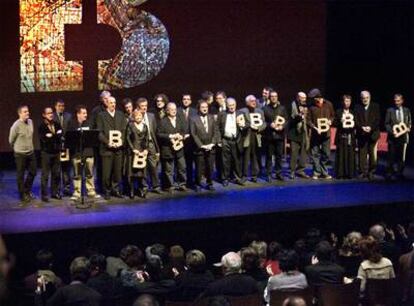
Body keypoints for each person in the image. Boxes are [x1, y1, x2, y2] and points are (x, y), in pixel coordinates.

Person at [96, 96, 128, 200]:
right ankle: (107, 191)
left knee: (117, 172)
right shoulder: (101, 115)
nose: (113, 104)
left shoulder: (120, 115)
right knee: (106, 173)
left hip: (118, 149)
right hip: (107, 149)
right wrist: (107, 142)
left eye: (114, 102)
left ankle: (116, 190)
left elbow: (124, 130)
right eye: (110, 102)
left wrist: (121, 141)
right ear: (106, 104)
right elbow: (99, 133)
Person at [67, 105, 100, 200]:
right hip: (77, 153)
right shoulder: (72, 124)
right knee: (77, 174)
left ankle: (91, 191)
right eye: (84, 113)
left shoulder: (89, 123)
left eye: (86, 113)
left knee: (89, 173)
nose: (86, 115)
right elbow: (69, 139)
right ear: (78, 114)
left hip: (88, 152)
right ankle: (77, 192)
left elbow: (93, 137)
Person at [157, 102, 188, 193]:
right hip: (167, 149)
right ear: (167, 111)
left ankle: (182, 184)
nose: (174, 111)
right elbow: (159, 134)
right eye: (171, 109)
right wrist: (170, 136)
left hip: (179, 148)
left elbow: (184, 131)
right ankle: (170, 186)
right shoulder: (163, 121)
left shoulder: (180, 120)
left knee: (182, 167)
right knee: (168, 170)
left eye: (175, 109)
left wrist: (181, 136)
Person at [189, 100, 220, 191]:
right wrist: (201, 145)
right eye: (202, 107)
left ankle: (209, 183)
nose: (205, 109)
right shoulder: (193, 119)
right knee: (199, 168)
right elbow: (193, 134)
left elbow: (216, 131)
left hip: (211, 147)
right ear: (199, 108)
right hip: (199, 148)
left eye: (206, 107)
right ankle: (198, 184)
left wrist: (213, 143)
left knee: (210, 167)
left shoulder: (211, 118)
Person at [9, 105, 37, 203]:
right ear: (20, 113)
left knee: (33, 171)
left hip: (31, 152)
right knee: (20, 175)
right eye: (25, 112)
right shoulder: (16, 125)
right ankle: (22, 195)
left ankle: (26, 190)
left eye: (28, 111)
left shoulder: (30, 122)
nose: (27, 113)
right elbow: (11, 140)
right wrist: (17, 148)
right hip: (20, 154)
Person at [217, 97, 248, 186]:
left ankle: (238, 178)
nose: (231, 107)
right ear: (226, 106)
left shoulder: (240, 113)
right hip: (225, 140)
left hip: (236, 140)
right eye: (229, 105)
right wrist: (219, 140)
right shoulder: (222, 114)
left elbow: (247, 124)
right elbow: (217, 128)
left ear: (236, 105)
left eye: (233, 105)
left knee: (237, 160)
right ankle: (225, 179)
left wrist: (243, 125)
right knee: (225, 161)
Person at [307, 89, 335, 180]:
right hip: (316, 134)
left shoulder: (329, 104)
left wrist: (330, 121)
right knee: (315, 154)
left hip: (326, 134)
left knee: (326, 153)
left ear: (319, 97)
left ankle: (324, 171)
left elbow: (332, 115)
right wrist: (315, 128)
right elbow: (308, 120)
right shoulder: (311, 107)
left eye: (315, 98)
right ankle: (316, 172)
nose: (314, 100)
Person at [136, 98, 162, 194]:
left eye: (146, 106)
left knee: (154, 166)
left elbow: (155, 132)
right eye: (142, 106)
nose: (144, 108)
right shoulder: (135, 116)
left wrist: (157, 148)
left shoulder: (151, 116)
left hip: (151, 144)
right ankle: (144, 187)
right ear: (138, 107)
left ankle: (156, 186)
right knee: (142, 167)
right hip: (140, 146)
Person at [385, 93, 412, 180]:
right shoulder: (390, 110)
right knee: (391, 156)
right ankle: (390, 172)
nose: (396, 102)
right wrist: (393, 132)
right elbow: (387, 124)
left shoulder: (407, 110)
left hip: (403, 137)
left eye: (398, 101)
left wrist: (408, 128)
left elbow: (409, 122)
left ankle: (400, 172)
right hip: (393, 138)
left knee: (401, 157)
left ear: (402, 101)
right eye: (395, 101)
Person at [354, 90, 380, 180]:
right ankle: (362, 172)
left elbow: (378, 120)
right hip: (361, 134)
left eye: (367, 98)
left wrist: (370, 128)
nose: (365, 99)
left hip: (372, 134)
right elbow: (355, 120)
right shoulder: (357, 107)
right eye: (363, 98)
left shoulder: (375, 106)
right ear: (361, 98)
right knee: (362, 154)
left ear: (370, 97)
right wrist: (362, 127)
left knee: (372, 154)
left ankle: (371, 172)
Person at [38, 107, 63, 202]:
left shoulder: (57, 124)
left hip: (56, 152)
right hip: (46, 153)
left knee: (56, 173)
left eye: (51, 113)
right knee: (45, 174)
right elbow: (44, 140)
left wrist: (52, 136)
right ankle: (44, 194)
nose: (51, 114)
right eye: (48, 113)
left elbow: (60, 135)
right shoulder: (41, 127)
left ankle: (55, 192)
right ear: (44, 115)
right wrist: (55, 136)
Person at [263, 90, 288, 181]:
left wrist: (282, 126)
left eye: (275, 96)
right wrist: (270, 124)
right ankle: (269, 174)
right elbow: (263, 121)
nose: (274, 98)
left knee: (279, 156)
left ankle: (278, 173)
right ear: (269, 98)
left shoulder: (282, 108)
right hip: (269, 136)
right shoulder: (265, 108)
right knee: (269, 156)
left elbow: (286, 120)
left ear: (277, 97)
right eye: (272, 96)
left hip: (279, 136)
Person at [240, 95, 266, 182]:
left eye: (255, 100)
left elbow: (264, 123)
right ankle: (244, 175)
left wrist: (259, 128)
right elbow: (240, 124)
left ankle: (255, 175)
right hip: (247, 136)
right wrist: (248, 126)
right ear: (247, 102)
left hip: (256, 136)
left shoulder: (260, 111)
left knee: (255, 156)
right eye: (251, 101)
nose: (254, 102)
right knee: (246, 157)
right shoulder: (242, 111)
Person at [287, 92, 310, 179]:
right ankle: (292, 171)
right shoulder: (292, 106)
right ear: (298, 98)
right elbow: (291, 119)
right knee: (294, 153)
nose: (304, 100)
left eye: (305, 98)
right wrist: (299, 117)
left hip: (304, 132)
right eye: (302, 98)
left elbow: (308, 118)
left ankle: (301, 170)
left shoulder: (306, 106)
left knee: (304, 153)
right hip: (294, 133)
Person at [126, 110, 149, 199]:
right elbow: (127, 138)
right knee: (132, 173)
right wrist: (133, 149)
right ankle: (131, 191)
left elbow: (146, 139)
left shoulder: (145, 126)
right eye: (137, 115)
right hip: (133, 152)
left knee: (141, 173)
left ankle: (141, 190)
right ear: (134, 117)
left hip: (142, 151)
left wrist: (146, 149)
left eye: (140, 115)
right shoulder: (130, 126)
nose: (138, 117)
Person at [334, 95, 357, 179]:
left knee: (350, 154)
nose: (346, 103)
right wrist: (340, 121)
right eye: (345, 101)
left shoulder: (353, 112)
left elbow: (357, 124)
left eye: (348, 101)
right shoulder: (339, 111)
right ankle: (340, 173)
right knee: (341, 155)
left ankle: (350, 173)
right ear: (342, 102)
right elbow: (334, 123)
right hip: (341, 135)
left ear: (350, 102)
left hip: (350, 136)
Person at [53, 99, 72, 196]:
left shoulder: (68, 116)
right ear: (55, 106)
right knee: (57, 169)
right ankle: (56, 189)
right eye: (59, 106)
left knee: (66, 168)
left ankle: (67, 188)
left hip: (66, 146)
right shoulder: (52, 117)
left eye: (63, 106)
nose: (61, 108)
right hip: (56, 146)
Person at [178, 94, 197, 188]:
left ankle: (190, 181)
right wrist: (181, 135)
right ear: (182, 100)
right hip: (180, 141)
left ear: (190, 101)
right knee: (180, 164)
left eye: (188, 99)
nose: (186, 101)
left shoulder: (195, 111)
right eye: (184, 99)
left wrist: (189, 134)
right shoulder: (177, 111)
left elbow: (196, 125)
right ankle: (181, 182)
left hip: (191, 141)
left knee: (190, 163)